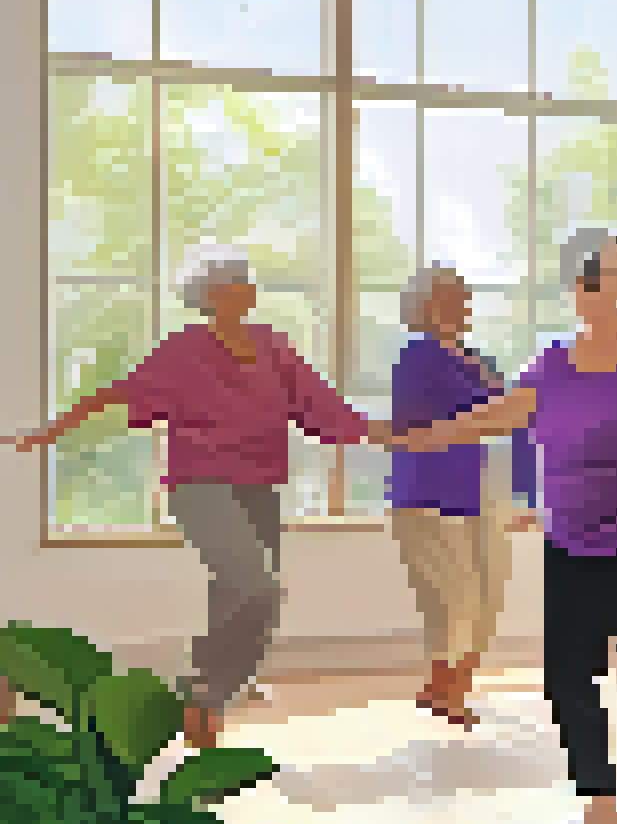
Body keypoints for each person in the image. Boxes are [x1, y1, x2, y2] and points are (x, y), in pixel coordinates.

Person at [387, 231, 617, 824]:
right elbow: (499, 416)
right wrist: (418, 437)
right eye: (596, 280)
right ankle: (601, 811)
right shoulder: (550, 361)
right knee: (569, 674)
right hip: (571, 536)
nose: (606, 291)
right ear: (579, 287)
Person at [9, 244, 388, 749]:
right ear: (212, 295)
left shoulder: (273, 346)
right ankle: (202, 691)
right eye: (236, 283)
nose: (248, 289)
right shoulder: (185, 350)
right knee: (255, 584)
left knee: (251, 598)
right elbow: (119, 393)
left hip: (259, 485)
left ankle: (209, 701)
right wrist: (51, 432)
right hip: (199, 485)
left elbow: (321, 407)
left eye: (248, 281)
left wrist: (389, 432)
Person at [388, 264, 538, 729]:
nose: (460, 305)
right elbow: (449, 414)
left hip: (483, 489)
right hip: (428, 491)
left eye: (462, 296)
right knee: (455, 596)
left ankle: (448, 686)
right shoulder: (417, 355)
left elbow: (519, 422)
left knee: (489, 594)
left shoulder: (481, 361)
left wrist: (529, 492)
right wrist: (506, 408)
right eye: (448, 297)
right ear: (423, 306)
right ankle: (447, 690)